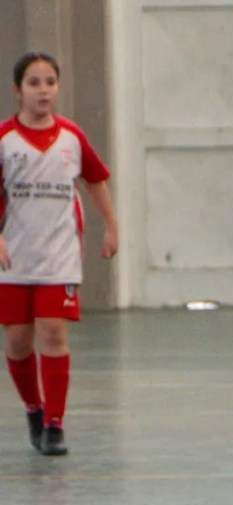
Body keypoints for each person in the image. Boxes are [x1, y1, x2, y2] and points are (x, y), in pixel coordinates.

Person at [0, 52, 119, 456]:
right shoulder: (5, 139)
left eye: (50, 81)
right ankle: (33, 409)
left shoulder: (71, 137)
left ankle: (55, 423)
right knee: (17, 342)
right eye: (34, 82)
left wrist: (111, 226)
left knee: (53, 332)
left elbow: (96, 180)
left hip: (58, 255)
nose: (43, 90)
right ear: (18, 90)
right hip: (13, 257)